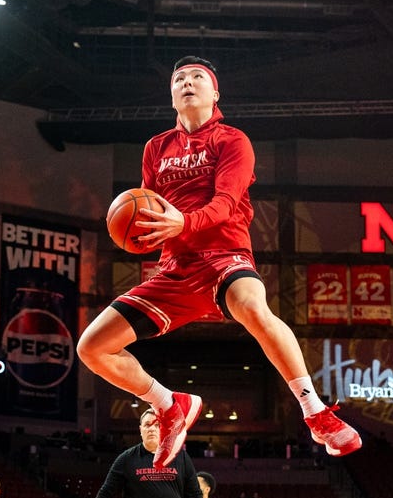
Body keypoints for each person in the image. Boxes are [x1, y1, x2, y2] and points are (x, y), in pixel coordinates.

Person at [74, 55, 361, 471]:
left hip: (225, 254)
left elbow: (226, 204)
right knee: (92, 348)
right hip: (174, 267)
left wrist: (182, 222)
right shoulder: (156, 147)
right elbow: (150, 209)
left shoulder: (232, 140)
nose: (187, 82)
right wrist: (143, 232)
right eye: (179, 79)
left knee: (250, 305)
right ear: (172, 95)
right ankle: (169, 403)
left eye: (196, 77)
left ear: (215, 92)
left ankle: (314, 412)